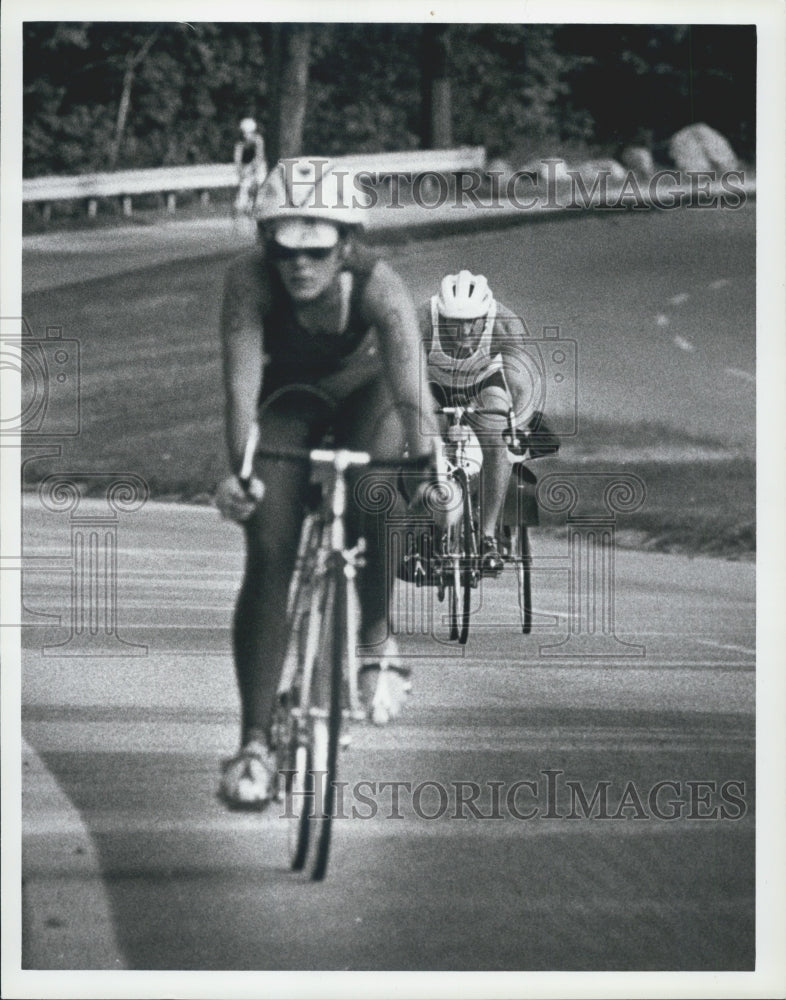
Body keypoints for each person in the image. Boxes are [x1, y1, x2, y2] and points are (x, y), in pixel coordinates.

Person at [215, 158, 441, 808]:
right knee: (269, 550)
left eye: (317, 251)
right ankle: (254, 745)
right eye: (284, 250)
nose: (300, 267)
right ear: (267, 245)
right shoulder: (247, 282)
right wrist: (240, 473)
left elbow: (410, 389)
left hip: (366, 400)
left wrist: (430, 472)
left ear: (347, 243)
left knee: (381, 478)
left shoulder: (379, 287)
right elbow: (239, 390)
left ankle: (375, 635)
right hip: (288, 403)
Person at [418, 271, 547, 574]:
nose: (463, 332)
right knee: (424, 436)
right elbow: (408, 380)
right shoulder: (422, 322)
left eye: (471, 322)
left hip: (483, 382)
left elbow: (521, 385)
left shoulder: (505, 324)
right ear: (441, 315)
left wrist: (520, 428)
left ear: (485, 315)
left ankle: (488, 535)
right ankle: (430, 523)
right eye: (454, 323)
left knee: (497, 439)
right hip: (432, 384)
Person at [233, 117, 266, 216]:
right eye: (243, 132)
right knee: (244, 186)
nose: (245, 135)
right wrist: (241, 172)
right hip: (246, 167)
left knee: (260, 183)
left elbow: (259, 157)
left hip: (259, 167)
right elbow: (237, 159)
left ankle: (257, 205)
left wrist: (250, 169)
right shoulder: (240, 143)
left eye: (247, 132)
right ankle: (242, 207)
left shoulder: (258, 140)